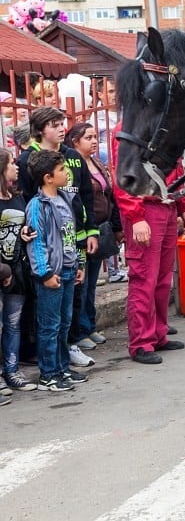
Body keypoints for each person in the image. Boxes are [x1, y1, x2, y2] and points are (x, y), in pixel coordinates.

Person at [16, 107, 98, 368]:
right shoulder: (28, 160)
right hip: (46, 247)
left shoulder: (72, 156)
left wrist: (90, 231)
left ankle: (68, 349)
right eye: (54, 124)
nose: (62, 128)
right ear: (40, 129)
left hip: (72, 241)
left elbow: (85, 195)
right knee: (46, 310)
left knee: (71, 301)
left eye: (62, 123)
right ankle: (47, 364)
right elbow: (27, 202)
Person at [110, 122, 185, 364]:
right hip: (146, 209)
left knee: (162, 279)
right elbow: (124, 174)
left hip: (164, 207)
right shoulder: (128, 128)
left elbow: (177, 167)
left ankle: (157, 334)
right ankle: (141, 343)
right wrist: (136, 217)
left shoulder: (160, 124)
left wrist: (182, 205)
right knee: (145, 278)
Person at [25, 150, 87, 392]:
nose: (66, 173)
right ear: (48, 177)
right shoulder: (37, 205)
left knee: (63, 323)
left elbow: (69, 238)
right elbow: (36, 242)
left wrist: (78, 264)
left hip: (69, 270)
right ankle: (48, 374)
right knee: (49, 326)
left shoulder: (64, 198)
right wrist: (45, 273)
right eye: (61, 170)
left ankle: (62, 367)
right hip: (52, 275)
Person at [64, 122, 121, 350]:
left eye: (95, 136)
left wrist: (116, 226)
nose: (95, 141)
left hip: (102, 228)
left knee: (93, 283)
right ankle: (80, 330)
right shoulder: (74, 164)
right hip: (86, 229)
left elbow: (110, 193)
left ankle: (90, 326)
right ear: (75, 141)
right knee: (83, 283)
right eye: (89, 137)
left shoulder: (97, 161)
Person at [0, 150, 37, 393]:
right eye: (12, 163)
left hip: (16, 271)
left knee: (13, 324)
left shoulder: (17, 197)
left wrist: (25, 233)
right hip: (2, 270)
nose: (16, 166)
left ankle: (12, 371)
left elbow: (22, 227)